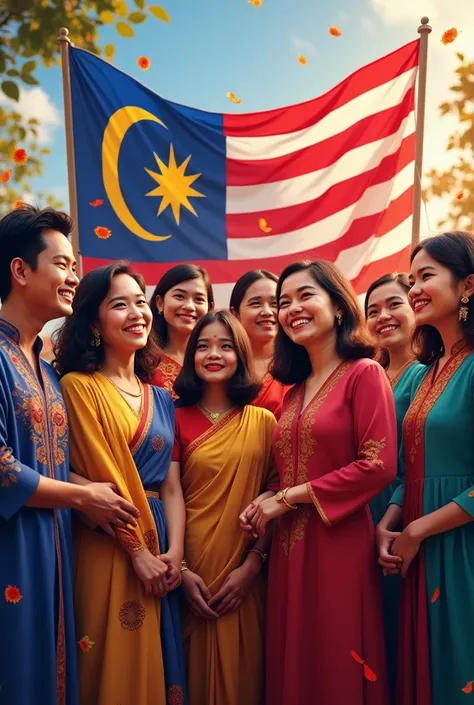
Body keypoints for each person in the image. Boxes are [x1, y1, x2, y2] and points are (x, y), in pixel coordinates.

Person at [241, 260, 397, 705]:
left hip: (339, 545)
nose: (292, 309)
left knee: (337, 660)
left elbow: (378, 465)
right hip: (289, 551)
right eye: (283, 302)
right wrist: (264, 503)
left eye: (305, 295)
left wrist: (286, 500)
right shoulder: (292, 392)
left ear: (339, 304)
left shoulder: (364, 374)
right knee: (295, 662)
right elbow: (288, 471)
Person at [0, 206, 139, 705]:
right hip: (12, 548)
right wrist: (81, 498)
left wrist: (82, 493)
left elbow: (51, 462)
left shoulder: (47, 369)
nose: (73, 278)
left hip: (57, 548)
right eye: (61, 265)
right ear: (19, 271)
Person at [54, 262, 187, 705]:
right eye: (119, 304)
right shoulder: (78, 386)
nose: (137, 313)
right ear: (94, 321)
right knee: (110, 658)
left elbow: (171, 487)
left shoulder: (161, 396)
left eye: (140, 302)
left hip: (160, 544)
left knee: (161, 662)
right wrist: (138, 553)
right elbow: (103, 478)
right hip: (107, 543)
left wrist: (174, 555)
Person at [377, 232, 474, 705]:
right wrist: (390, 522)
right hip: (416, 546)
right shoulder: (429, 370)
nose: (414, 288)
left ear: (468, 285)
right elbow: (407, 466)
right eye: (411, 278)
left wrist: (418, 531)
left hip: (459, 548)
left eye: (427, 276)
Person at [172, 310, 276, 705]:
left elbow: (277, 497)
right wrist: (180, 570)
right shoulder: (172, 416)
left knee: (243, 680)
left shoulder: (264, 422)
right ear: (190, 356)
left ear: (241, 355)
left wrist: (252, 566)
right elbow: (169, 495)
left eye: (225, 346)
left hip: (244, 575)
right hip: (189, 567)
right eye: (203, 346)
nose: (213, 354)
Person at [365, 272, 423, 702]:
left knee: (403, 628)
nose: (383, 316)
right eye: (372, 311)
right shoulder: (366, 374)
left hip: (402, 514)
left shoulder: (430, 376)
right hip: (359, 513)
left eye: (393, 305)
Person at [230, 269, 289, 418]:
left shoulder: (302, 364)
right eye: (256, 304)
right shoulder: (220, 364)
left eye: (275, 304)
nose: (267, 311)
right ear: (234, 314)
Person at [150, 264, 214, 399]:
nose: (189, 306)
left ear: (210, 307)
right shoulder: (142, 359)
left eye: (199, 299)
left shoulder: (218, 358)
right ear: (160, 302)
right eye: (180, 296)